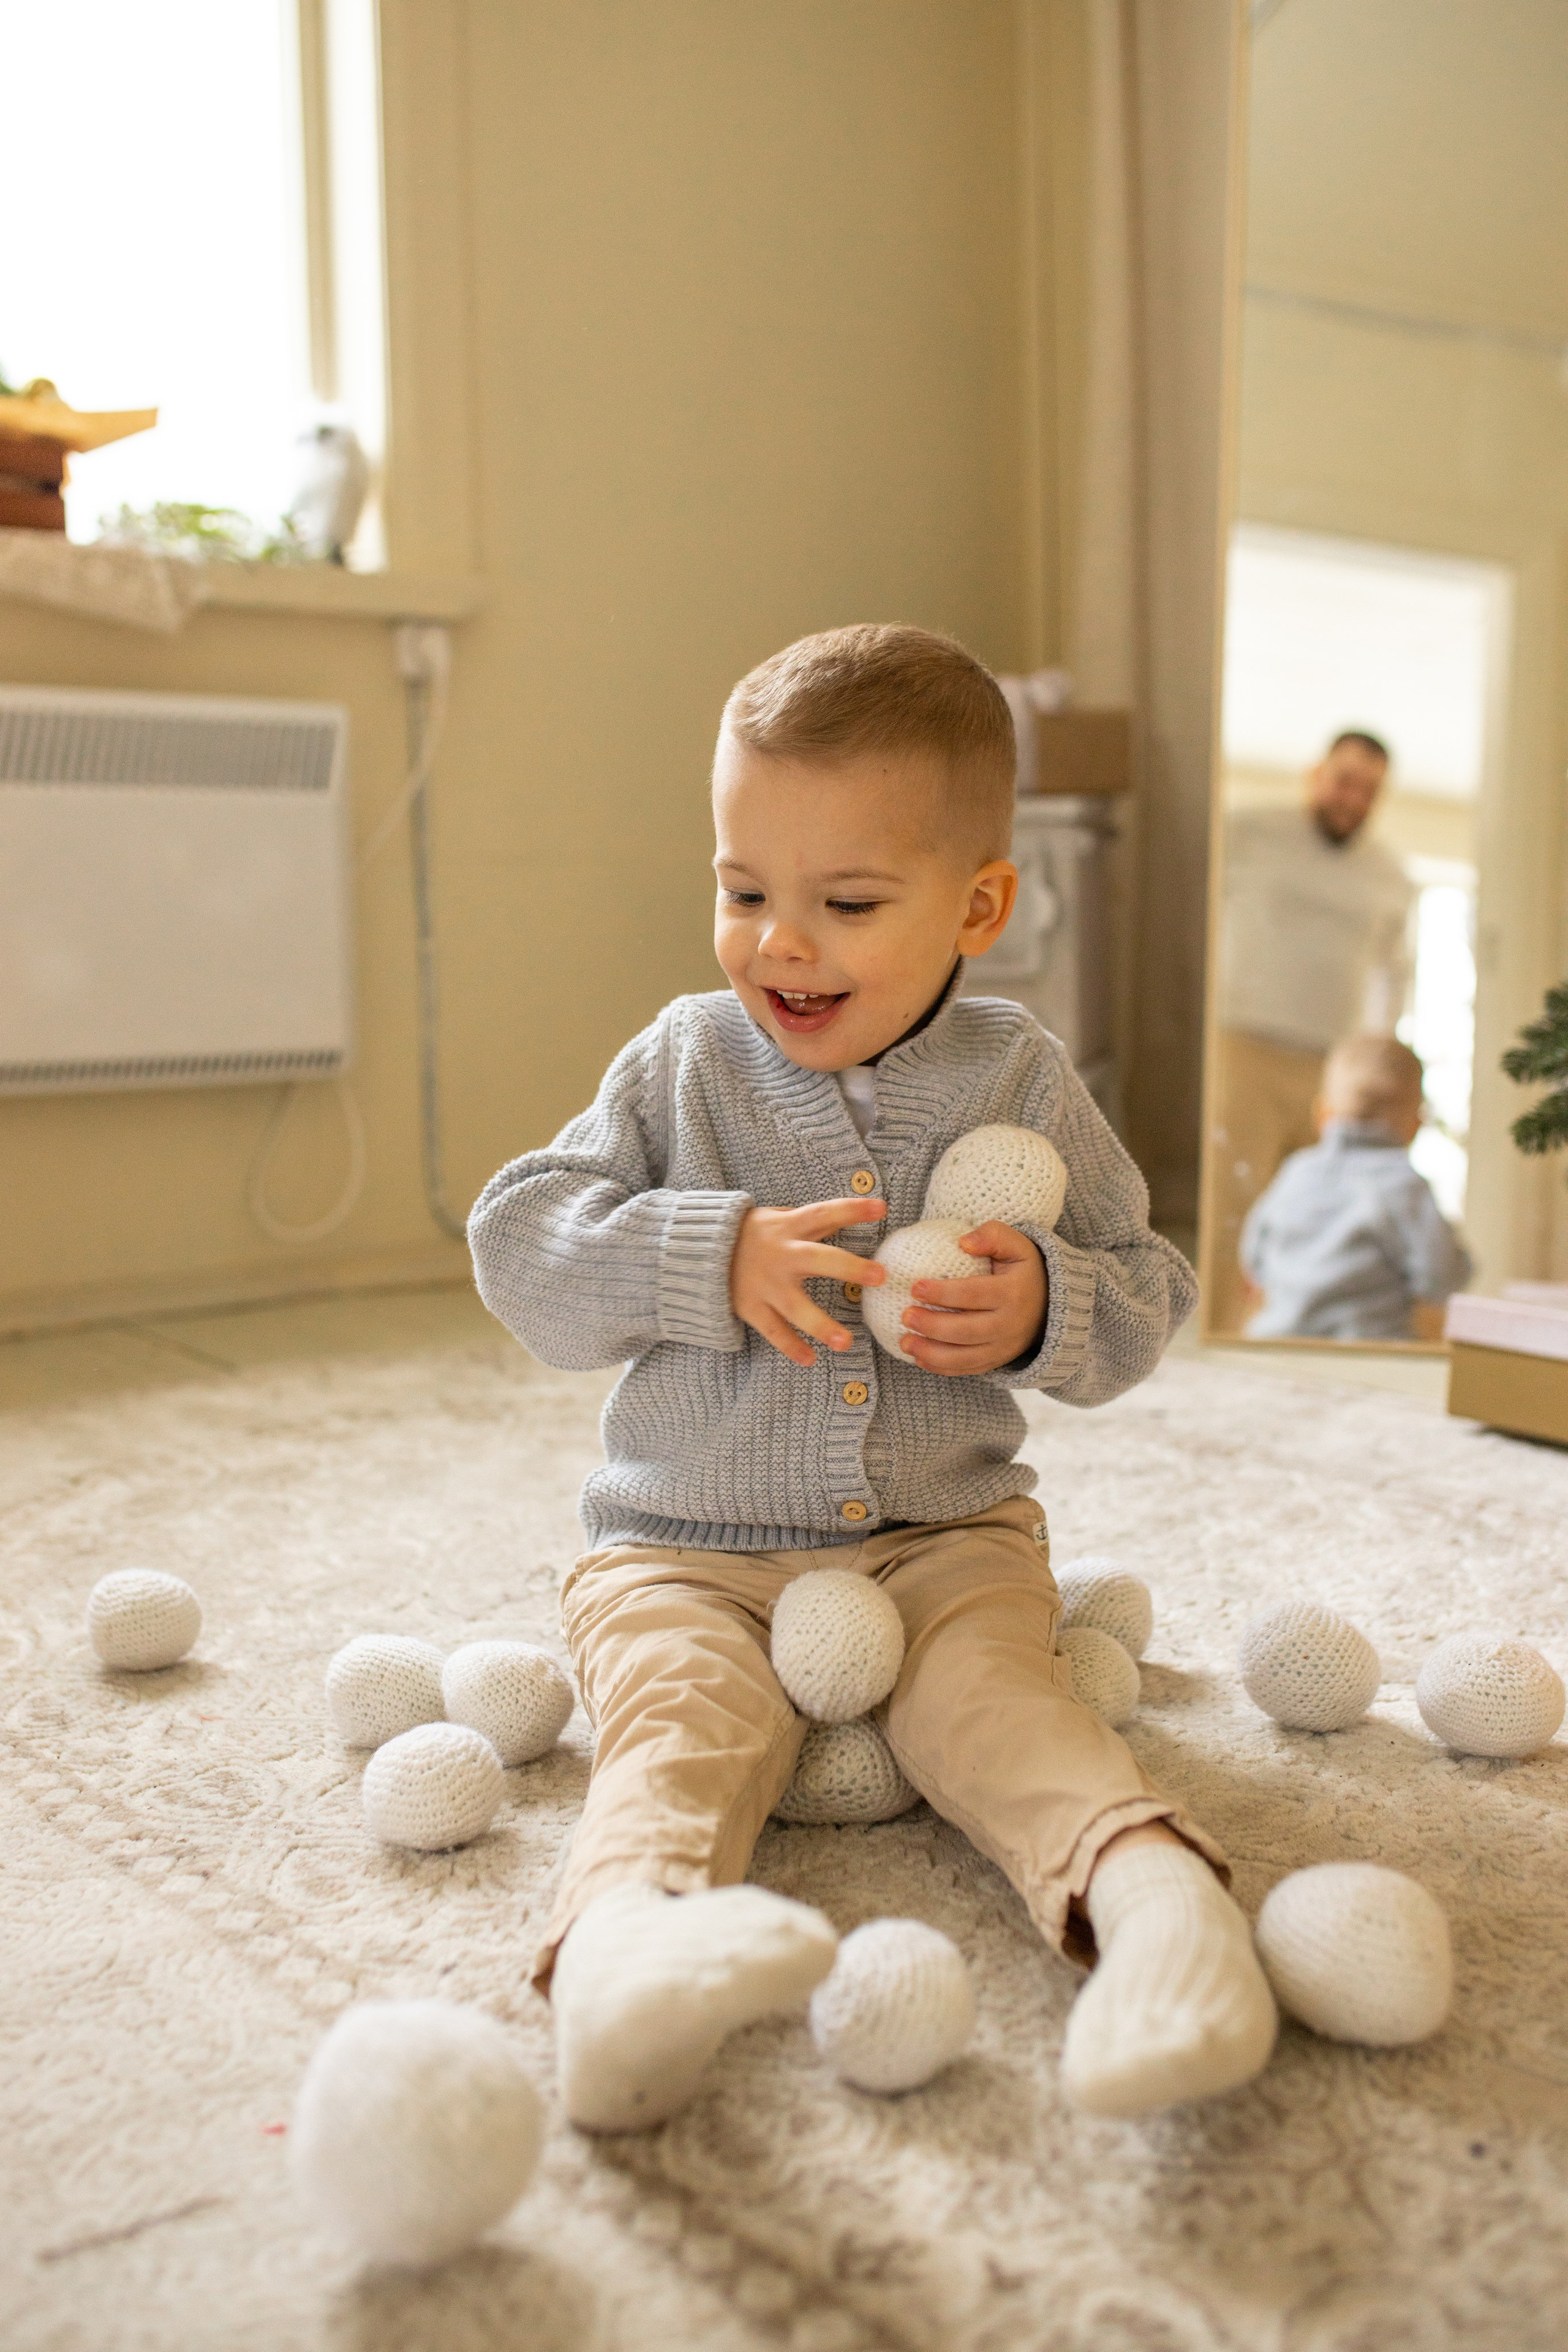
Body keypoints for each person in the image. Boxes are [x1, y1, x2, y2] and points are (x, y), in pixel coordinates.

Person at [470, 624, 1278, 2132]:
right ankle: (623, 1963)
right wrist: (704, 1257)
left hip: (940, 1537)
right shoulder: (685, 1062)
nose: (779, 940)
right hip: (684, 1544)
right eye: (739, 889)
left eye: (844, 902)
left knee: (1003, 1703)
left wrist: (1043, 1302)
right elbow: (519, 1241)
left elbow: (1151, 1289)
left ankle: (1156, 1905)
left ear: (979, 906)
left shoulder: (1019, 1078)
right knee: (676, 1723)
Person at [1207, 731, 1414, 1332]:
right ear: (1315, 775)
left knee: (1317, 1216)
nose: (1354, 798)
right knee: (1234, 1206)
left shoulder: (1389, 873)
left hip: (1334, 1068)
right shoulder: (1247, 833)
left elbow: (1395, 972)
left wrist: (1380, 1057)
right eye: (1345, 780)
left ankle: (1289, 1341)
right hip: (1246, 1046)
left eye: (1370, 789)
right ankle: (1219, 1336)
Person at [1241, 1035, 1472, 1342]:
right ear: (1415, 1125)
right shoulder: (1405, 1184)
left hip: (1278, 1340)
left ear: (1322, 1114)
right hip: (1367, 1350)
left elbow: (1254, 1255)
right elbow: (1442, 1277)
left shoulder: (1296, 1171)